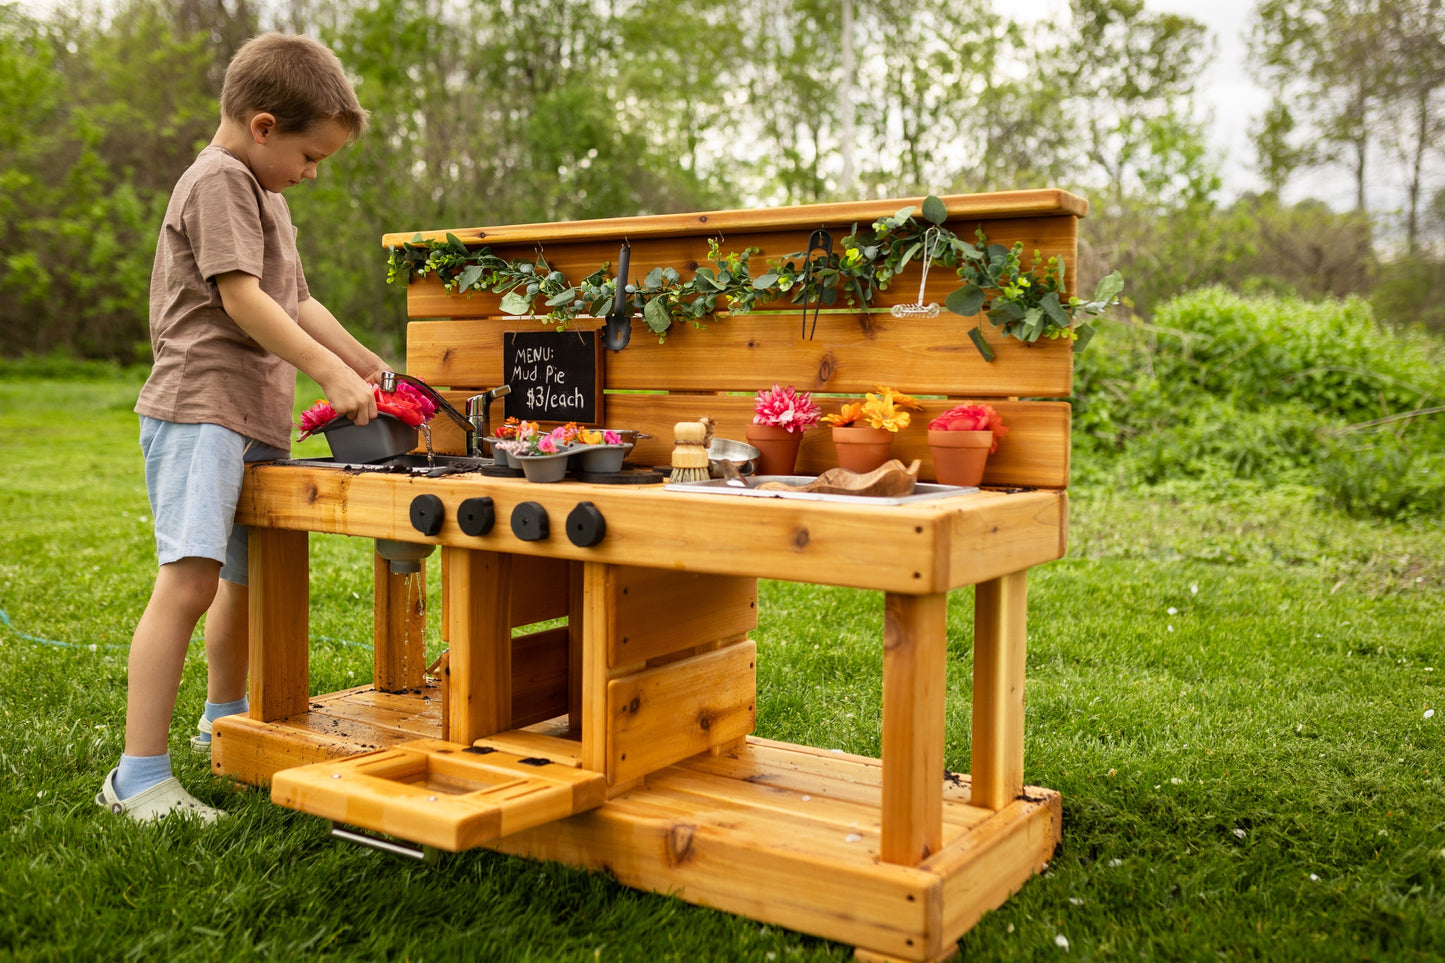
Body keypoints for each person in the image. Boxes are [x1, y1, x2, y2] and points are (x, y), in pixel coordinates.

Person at [98, 33, 390, 822]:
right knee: (188, 583)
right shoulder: (219, 180)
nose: (311, 171)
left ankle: (224, 721)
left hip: (252, 413)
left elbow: (295, 301)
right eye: (309, 154)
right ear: (264, 126)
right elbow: (242, 299)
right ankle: (138, 776)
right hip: (202, 409)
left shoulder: (269, 196)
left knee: (241, 579)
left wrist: (363, 361)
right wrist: (327, 376)